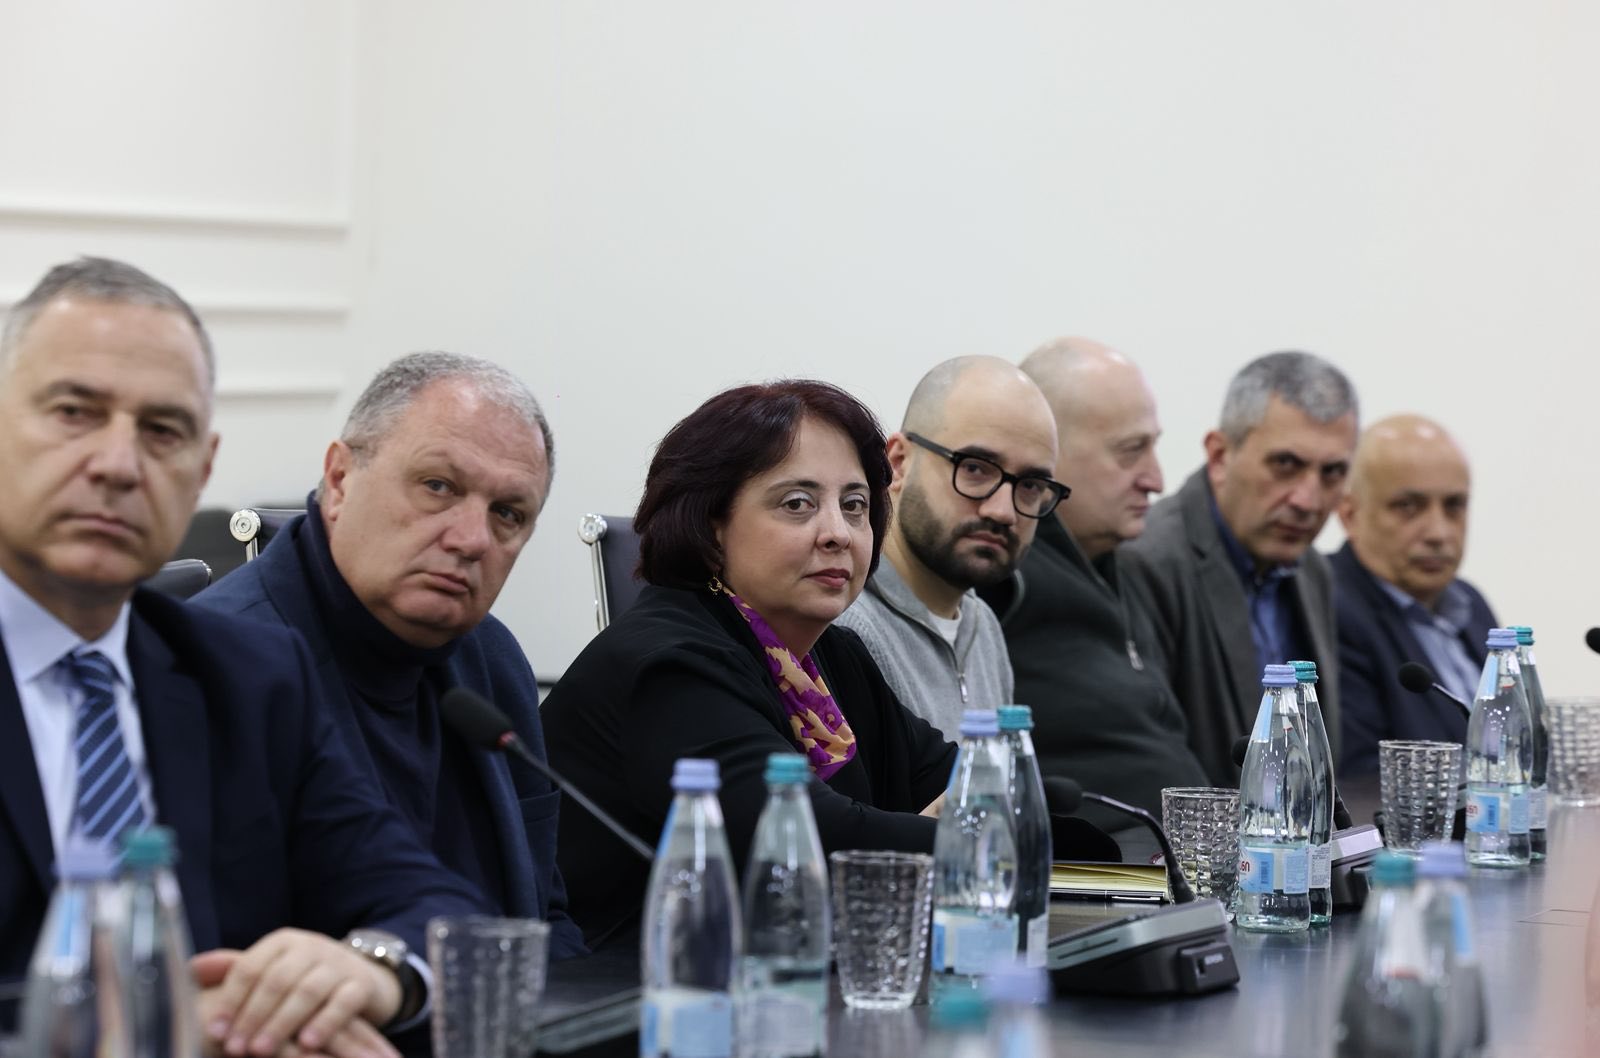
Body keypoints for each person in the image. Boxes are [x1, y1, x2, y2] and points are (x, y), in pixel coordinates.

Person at [0, 258, 484, 1058]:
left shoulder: (248, 677)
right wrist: (175, 1025)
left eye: (163, 431)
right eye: (74, 412)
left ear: (202, 470)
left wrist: (367, 970)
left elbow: (433, 904)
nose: (119, 464)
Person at [541, 380, 964, 947]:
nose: (838, 533)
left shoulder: (833, 657)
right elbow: (807, 841)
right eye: (798, 504)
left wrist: (981, 814)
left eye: (855, 506)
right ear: (711, 526)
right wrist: (971, 836)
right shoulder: (669, 665)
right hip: (635, 986)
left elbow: (968, 782)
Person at [193, 352, 585, 958]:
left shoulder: (494, 660)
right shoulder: (220, 667)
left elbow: (544, 921)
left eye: (508, 513)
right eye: (438, 487)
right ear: (339, 480)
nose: (471, 539)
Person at [980, 338, 1208, 836]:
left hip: (1177, 862)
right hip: (1091, 872)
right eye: (1131, 451)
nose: (1156, 479)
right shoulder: (996, 573)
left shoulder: (1124, 566)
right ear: (1046, 453)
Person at [1121, 351, 1358, 785]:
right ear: (1219, 456)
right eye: (1285, 465)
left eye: (1332, 472)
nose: (1308, 500)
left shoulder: (1312, 572)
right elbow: (1154, 769)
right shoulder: (1148, 563)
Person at [834, 356, 1062, 740]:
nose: (1003, 512)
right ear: (898, 463)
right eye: (975, 468)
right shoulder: (845, 625)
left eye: (1030, 486)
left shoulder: (983, 626)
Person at [1329, 415, 1497, 776]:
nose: (1438, 532)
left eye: (1454, 505)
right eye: (1408, 506)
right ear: (1350, 514)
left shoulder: (1470, 603)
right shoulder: (1330, 606)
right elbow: (1360, 776)